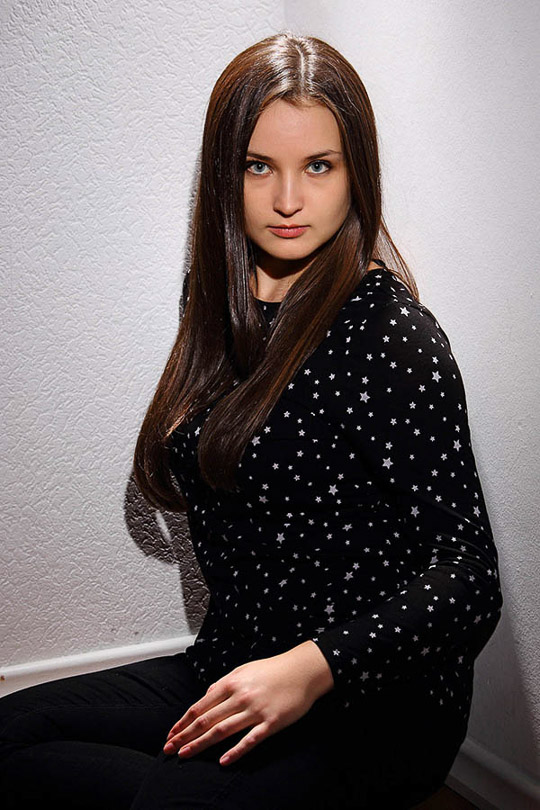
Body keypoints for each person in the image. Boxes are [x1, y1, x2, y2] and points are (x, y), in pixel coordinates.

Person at [0, 31, 503, 810]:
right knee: (12, 736)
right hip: (234, 667)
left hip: (367, 708)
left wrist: (309, 668)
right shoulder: (221, 299)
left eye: (319, 166)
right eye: (258, 166)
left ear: (357, 172)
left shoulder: (390, 335)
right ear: (225, 173)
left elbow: (469, 579)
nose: (288, 200)